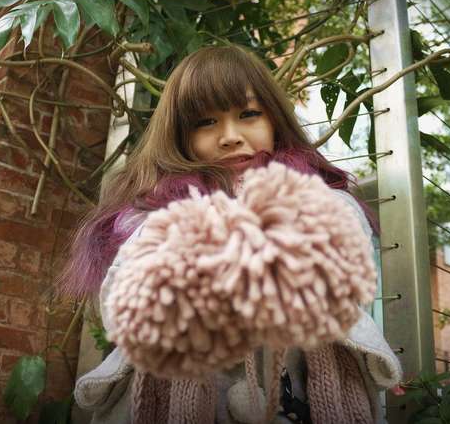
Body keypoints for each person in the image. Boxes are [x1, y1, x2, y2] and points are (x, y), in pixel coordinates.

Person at [59, 45, 402, 424]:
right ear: (180, 135)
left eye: (249, 114)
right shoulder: (147, 216)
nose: (230, 136)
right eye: (205, 122)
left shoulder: (324, 200)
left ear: (274, 119)